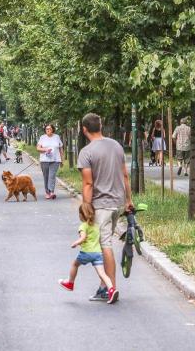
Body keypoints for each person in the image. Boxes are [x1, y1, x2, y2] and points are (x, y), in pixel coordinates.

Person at [77, 113, 133, 302]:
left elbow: (88, 184)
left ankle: (111, 287)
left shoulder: (86, 152)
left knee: (104, 244)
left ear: (84, 129)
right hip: (118, 203)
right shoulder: (116, 145)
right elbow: (125, 175)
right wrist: (128, 200)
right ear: (100, 126)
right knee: (104, 243)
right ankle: (104, 287)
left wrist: (86, 207)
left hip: (101, 205)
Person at [58, 204, 118, 304]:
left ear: (81, 215)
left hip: (86, 253)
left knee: (75, 265)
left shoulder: (83, 226)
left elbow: (83, 238)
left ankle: (70, 283)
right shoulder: (97, 226)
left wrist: (76, 243)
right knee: (102, 274)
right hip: (97, 253)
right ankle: (111, 290)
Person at [37, 124, 64, 199]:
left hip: (55, 160)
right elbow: (38, 148)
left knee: (52, 176)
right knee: (46, 176)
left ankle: (51, 192)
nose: (48, 130)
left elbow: (60, 148)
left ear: (53, 129)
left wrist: (62, 159)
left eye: (49, 129)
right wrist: (45, 149)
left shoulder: (57, 137)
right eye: (46, 129)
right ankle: (47, 192)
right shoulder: (42, 137)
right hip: (44, 160)